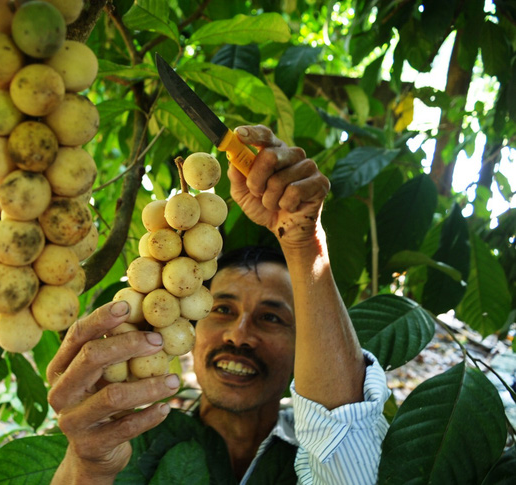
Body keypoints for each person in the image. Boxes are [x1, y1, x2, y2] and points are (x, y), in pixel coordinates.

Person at [46, 125, 390, 484]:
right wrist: (87, 467)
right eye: (222, 309)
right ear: (193, 319)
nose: (239, 336)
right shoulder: (122, 442)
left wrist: (306, 247)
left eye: (271, 317)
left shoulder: (316, 452)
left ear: (303, 343)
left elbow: (351, 462)